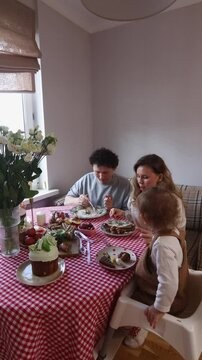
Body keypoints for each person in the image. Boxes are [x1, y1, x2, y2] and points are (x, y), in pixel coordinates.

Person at [124, 187, 189, 348]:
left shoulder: (163, 246)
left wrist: (158, 309)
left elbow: (169, 284)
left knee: (124, 294)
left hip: (163, 299)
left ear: (144, 218)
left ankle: (138, 332)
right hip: (163, 290)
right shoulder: (171, 231)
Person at [110, 154, 186, 243]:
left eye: (145, 177)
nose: (140, 181)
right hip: (136, 240)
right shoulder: (136, 193)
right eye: (138, 176)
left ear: (160, 177)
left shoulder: (172, 201)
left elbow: (181, 233)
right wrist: (124, 213)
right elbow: (141, 219)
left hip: (160, 246)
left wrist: (156, 238)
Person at [64, 148, 131, 210]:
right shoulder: (86, 179)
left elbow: (129, 212)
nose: (101, 177)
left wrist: (112, 208)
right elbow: (66, 201)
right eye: (97, 172)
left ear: (114, 169)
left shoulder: (125, 184)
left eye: (105, 173)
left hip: (112, 221)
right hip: (87, 221)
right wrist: (78, 201)